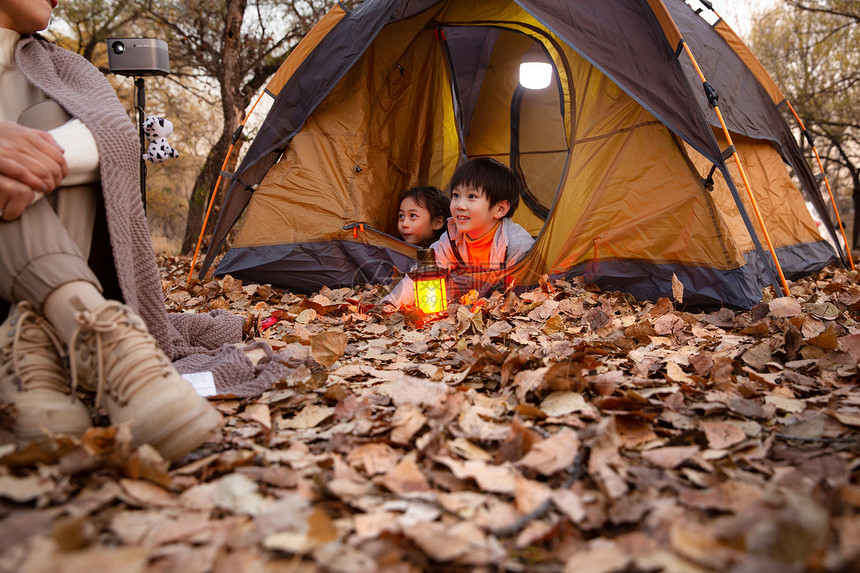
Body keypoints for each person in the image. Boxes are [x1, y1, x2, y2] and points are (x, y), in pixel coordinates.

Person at [0, 0, 227, 461]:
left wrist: (26, 159)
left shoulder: (62, 67)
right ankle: (108, 345)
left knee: (48, 119)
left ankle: (35, 353)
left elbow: (116, 137)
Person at [385, 158, 534, 308]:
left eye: (472, 197)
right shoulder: (451, 238)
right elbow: (423, 273)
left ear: (500, 209)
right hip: (465, 302)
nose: (459, 205)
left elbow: (525, 288)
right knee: (433, 275)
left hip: (500, 305)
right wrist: (392, 303)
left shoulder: (516, 245)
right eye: (456, 195)